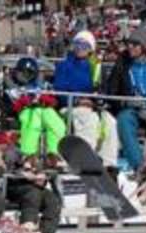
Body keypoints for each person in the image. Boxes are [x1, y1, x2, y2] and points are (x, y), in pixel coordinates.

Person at [53, 31, 119, 170]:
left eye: (84, 45)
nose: (80, 48)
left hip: (92, 106)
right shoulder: (65, 65)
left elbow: (101, 88)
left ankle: (108, 162)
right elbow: (59, 89)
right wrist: (77, 101)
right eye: (77, 44)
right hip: (71, 105)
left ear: (91, 49)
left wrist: (97, 100)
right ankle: (82, 159)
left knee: (110, 122)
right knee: (89, 119)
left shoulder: (95, 66)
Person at [104, 24, 146, 174]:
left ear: (144, 47)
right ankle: (139, 165)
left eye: (135, 44)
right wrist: (125, 101)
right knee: (124, 120)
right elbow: (111, 89)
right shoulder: (123, 62)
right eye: (129, 44)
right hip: (131, 107)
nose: (130, 47)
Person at [11, 56, 66, 158]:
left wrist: (45, 99)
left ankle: (54, 153)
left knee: (57, 124)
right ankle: (28, 153)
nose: (24, 77)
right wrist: (26, 101)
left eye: (27, 74)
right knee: (33, 122)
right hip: (27, 112)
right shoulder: (15, 88)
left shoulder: (41, 87)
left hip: (43, 110)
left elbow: (53, 100)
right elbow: (14, 104)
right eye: (21, 74)